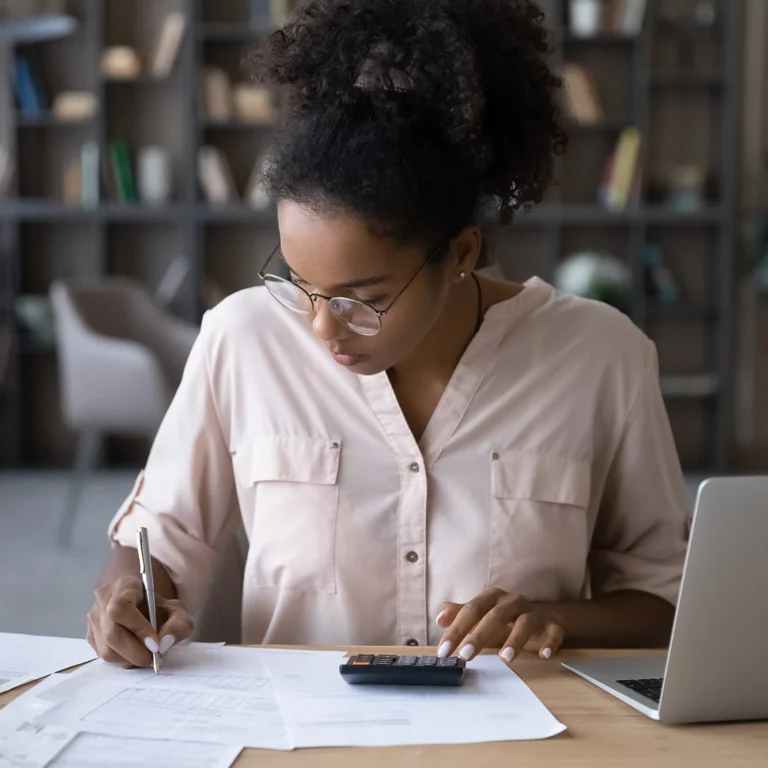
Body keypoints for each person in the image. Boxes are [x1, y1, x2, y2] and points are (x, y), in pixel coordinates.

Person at [87, 0, 689, 670]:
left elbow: (664, 599)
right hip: (300, 737)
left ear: (460, 253)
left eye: (362, 299)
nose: (321, 327)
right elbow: (158, 540)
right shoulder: (243, 339)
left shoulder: (600, 357)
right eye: (301, 284)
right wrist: (128, 596)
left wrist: (556, 619)